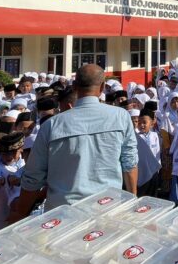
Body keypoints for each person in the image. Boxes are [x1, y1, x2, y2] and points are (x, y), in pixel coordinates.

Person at [9, 64, 138, 221]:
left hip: (63, 216)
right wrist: (132, 203)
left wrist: (20, 213)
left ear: (75, 87)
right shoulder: (121, 116)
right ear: (103, 87)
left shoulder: (52, 125)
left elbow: (33, 178)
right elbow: (129, 165)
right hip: (107, 209)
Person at [136, 112, 161, 197]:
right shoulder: (136, 137)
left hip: (153, 168)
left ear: (151, 124)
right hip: (142, 169)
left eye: (144, 123)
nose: (141, 125)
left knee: (153, 191)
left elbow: (157, 152)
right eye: (139, 123)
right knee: (143, 190)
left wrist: (158, 166)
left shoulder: (155, 135)